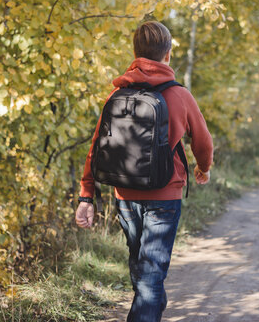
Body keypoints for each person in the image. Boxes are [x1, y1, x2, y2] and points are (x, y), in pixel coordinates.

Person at [75, 20, 213, 322]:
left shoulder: (116, 96)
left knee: (141, 265)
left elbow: (96, 148)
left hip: (124, 194)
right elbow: (203, 141)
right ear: (167, 55)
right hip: (165, 195)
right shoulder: (180, 95)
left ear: (136, 52)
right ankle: (149, 308)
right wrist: (203, 168)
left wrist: (87, 195)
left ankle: (151, 304)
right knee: (151, 273)